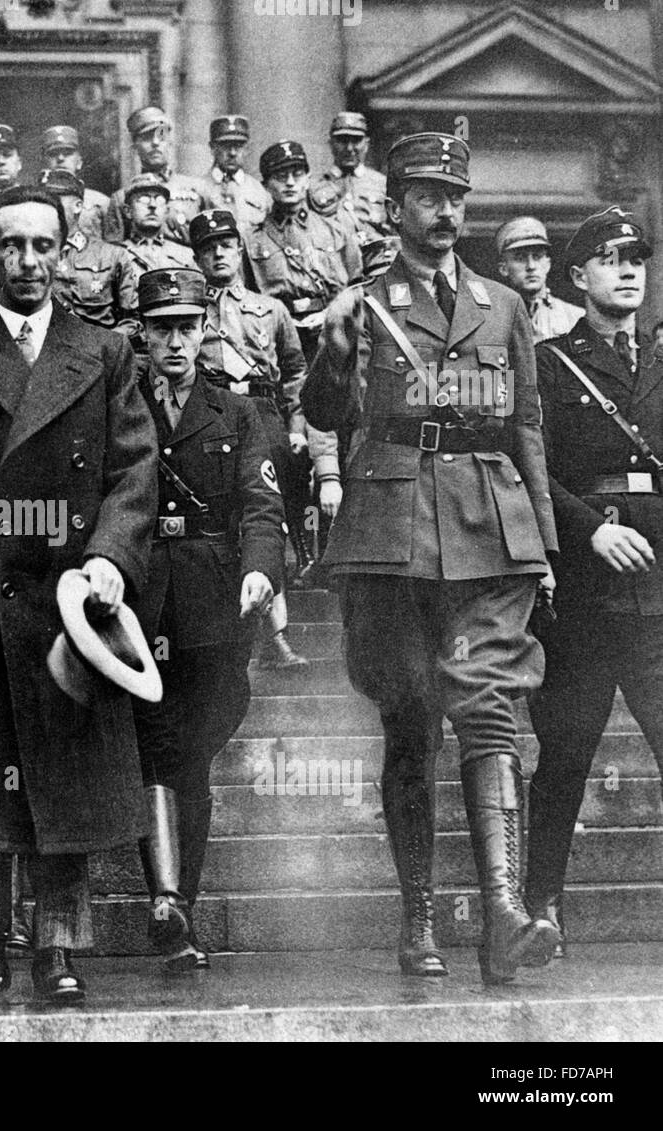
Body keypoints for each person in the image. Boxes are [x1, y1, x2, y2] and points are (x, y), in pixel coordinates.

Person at [302, 132, 561, 985]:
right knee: (409, 724)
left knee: (490, 707)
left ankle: (504, 912)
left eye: (456, 195)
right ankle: (419, 916)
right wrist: (333, 354)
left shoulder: (502, 304)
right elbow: (325, 410)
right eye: (426, 196)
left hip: (491, 525)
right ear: (394, 207)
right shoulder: (362, 303)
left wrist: (546, 544)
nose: (445, 211)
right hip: (390, 532)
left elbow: (526, 425)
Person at [0, 185, 157, 1003]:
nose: (29, 262)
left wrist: (113, 555)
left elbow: (135, 467)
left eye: (44, 245)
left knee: (64, 777)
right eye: (11, 245)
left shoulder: (105, 351)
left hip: (68, 600)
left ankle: (58, 946)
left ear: (65, 249)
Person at [130, 266, 284, 970]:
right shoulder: (121, 404)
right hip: (137, 596)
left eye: (187, 327)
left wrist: (259, 566)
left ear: (204, 331)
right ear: (143, 332)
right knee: (165, 748)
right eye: (162, 327)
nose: (175, 342)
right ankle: (170, 902)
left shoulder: (238, 411)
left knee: (196, 744)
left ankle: (175, 896)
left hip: (215, 600)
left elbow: (261, 503)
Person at [527, 207, 663, 961]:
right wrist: (591, 530)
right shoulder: (553, 363)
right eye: (610, 259)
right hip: (585, 599)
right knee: (567, 756)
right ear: (577, 277)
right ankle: (541, 903)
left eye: (637, 256)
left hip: (660, 599)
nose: (628, 269)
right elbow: (532, 467)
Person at [190, 209, 317, 666]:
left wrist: (297, 428)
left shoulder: (270, 309)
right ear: (197, 256)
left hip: (264, 413)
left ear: (240, 250)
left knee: (270, 520)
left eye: (226, 244)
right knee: (220, 521)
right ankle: (232, 636)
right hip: (212, 414)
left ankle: (276, 636)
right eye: (208, 247)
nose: (219, 253)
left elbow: (296, 373)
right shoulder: (189, 312)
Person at [245, 140, 362, 361]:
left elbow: (358, 287)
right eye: (280, 177)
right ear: (266, 185)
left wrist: (331, 315)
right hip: (276, 339)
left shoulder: (336, 232)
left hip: (332, 336)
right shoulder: (251, 240)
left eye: (297, 174)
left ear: (308, 180)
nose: (290, 183)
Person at [39, 169, 138, 337]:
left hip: (101, 355)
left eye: (54, 200)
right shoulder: (26, 257)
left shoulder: (112, 256)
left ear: (78, 206)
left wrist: (100, 344)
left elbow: (133, 321)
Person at [103, 106, 210, 245]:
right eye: (147, 138)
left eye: (161, 136)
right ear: (135, 146)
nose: (155, 143)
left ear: (170, 142)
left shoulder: (197, 189)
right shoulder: (122, 198)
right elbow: (113, 253)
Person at [495, 217, 581, 344]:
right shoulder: (493, 319)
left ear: (548, 264)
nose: (531, 266)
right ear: (503, 268)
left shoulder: (575, 317)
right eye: (520, 258)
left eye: (537, 257)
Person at [315, 112, 391, 241]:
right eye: (342, 141)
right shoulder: (316, 186)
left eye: (356, 141)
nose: (349, 148)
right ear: (331, 144)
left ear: (366, 144)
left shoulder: (382, 184)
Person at [198, 115, 271, 230]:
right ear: (212, 148)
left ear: (247, 149)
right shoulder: (200, 188)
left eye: (238, 146)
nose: (232, 153)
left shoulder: (259, 190)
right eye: (225, 146)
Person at [39, 125, 109, 241]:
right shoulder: (34, 201)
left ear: (79, 162)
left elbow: (113, 249)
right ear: (44, 161)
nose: (60, 158)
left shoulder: (101, 202)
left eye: (67, 153)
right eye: (53, 153)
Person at [119, 174, 198, 275]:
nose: (152, 205)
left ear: (166, 211)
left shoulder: (187, 255)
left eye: (159, 200)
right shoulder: (116, 255)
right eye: (144, 199)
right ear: (128, 211)